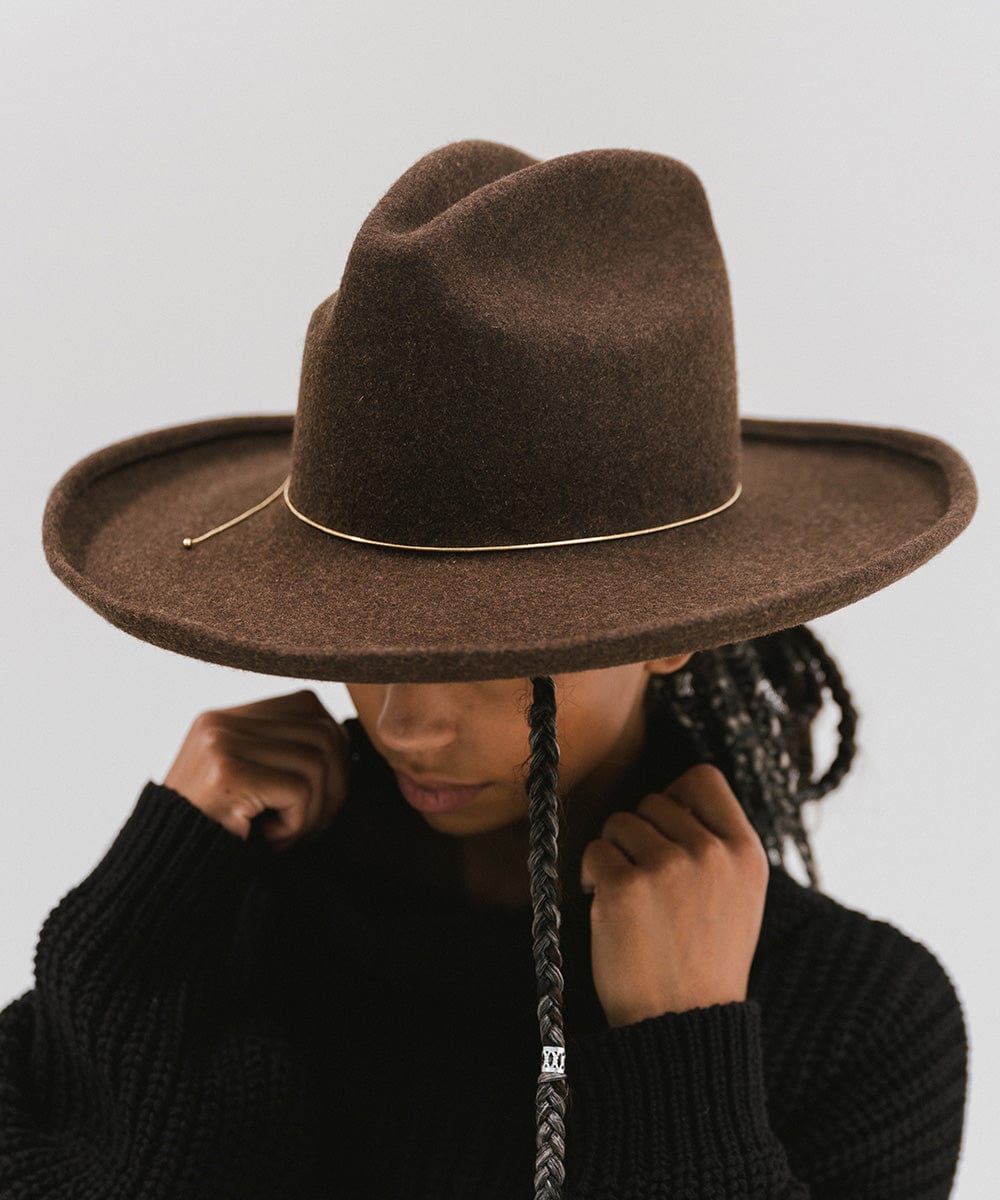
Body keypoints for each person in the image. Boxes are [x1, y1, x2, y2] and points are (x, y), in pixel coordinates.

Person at [5, 138, 976, 1198]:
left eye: (493, 650)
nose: (406, 721)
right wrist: (142, 929)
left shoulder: (852, 1023)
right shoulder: (213, 928)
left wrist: (678, 1055)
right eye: (355, 634)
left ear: (669, 627)